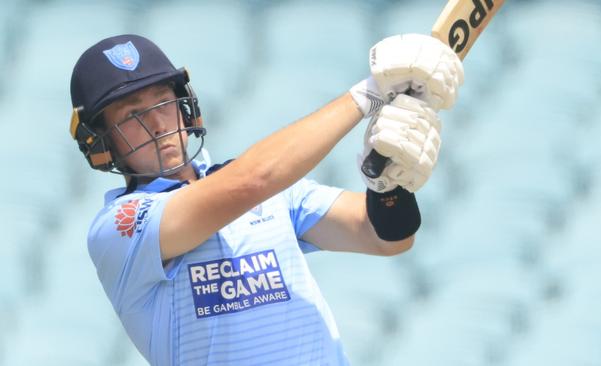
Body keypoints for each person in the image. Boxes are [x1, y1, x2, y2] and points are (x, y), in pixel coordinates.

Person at [69, 33, 462, 366]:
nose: (157, 124)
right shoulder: (118, 228)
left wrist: (387, 184)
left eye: (162, 100)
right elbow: (253, 180)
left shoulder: (273, 192)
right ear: (102, 143)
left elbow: (385, 237)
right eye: (132, 115)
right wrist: (370, 94)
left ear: (183, 103)